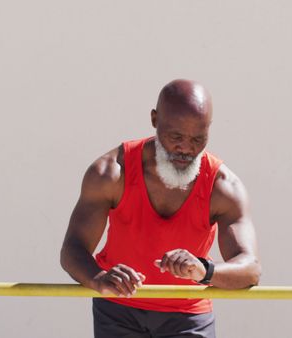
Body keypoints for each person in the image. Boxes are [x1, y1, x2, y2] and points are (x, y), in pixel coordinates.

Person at [60, 79, 261, 338]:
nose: (186, 148)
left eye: (198, 139)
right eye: (176, 136)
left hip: (189, 314)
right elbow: (72, 249)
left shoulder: (223, 187)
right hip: (118, 310)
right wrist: (98, 279)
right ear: (154, 120)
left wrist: (204, 270)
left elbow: (251, 269)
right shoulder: (111, 173)